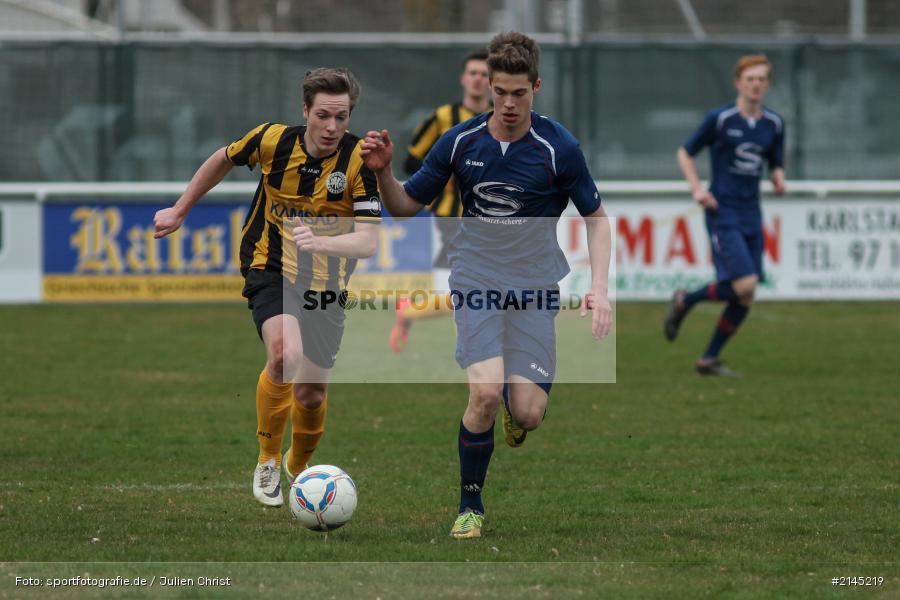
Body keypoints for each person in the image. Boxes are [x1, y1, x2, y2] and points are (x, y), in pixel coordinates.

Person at [361, 32, 612, 539]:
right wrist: (385, 174)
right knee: (483, 395)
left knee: (529, 412)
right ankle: (469, 506)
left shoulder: (558, 147)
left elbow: (597, 218)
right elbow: (407, 205)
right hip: (475, 276)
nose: (509, 103)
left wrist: (600, 287)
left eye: (520, 93)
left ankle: (518, 417)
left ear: (536, 87)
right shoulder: (460, 141)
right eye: (501, 92)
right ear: (490, 88)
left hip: (536, 286)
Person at [153, 68, 381, 507]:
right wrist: (181, 209)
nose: (333, 127)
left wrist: (325, 242)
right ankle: (268, 459)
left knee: (312, 394)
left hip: (326, 285)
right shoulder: (272, 140)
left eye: (342, 117)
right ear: (305, 111)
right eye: (324, 116)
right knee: (284, 354)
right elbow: (222, 157)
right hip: (268, 262)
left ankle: (299, 468)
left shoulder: (359, 162)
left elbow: (369, 241)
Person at [666, 54, 785, 377]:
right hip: (723, 211)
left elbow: (775, 159)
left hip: (751, 212)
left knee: (746, 296)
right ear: (738, 83)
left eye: (761, 79)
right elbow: (685, 152)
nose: (756, 84)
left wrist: (778, 175)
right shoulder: (721, 119)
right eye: (750, 79)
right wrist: (697, 190)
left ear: (767, 84)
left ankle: (708, 359)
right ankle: (686, 300)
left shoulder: (773, 124)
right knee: (744, 285)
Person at [390, 49, 490, 353]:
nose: (477, 79)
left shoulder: (502, 120)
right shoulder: (444, 118)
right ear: (463, 78)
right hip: (452, 216)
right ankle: (411, 311)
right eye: (473, 72)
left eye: (484, 74)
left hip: (491, 219)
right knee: (478, 293)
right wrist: (429, 189)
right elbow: (411, 162)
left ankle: (411, 310)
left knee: (477, 292)